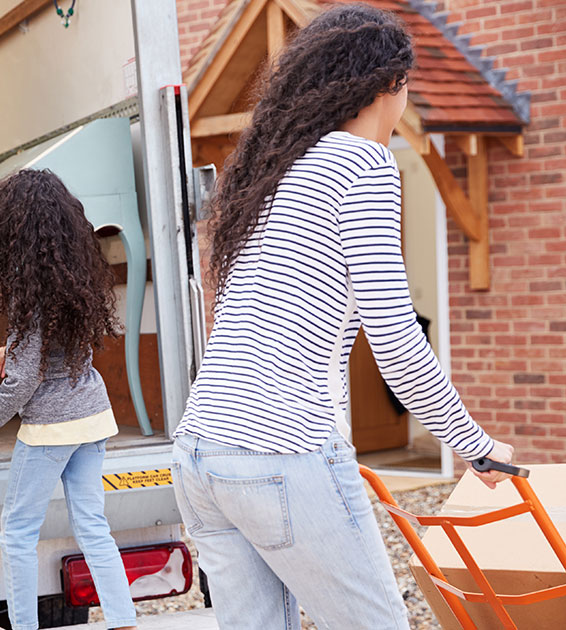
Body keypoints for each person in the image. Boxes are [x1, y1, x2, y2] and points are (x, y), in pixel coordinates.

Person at [169, 5, 515, 629]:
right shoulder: (362, 164)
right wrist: (475, 446)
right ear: (391, 86)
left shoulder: (269, 171)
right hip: (282, 451)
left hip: (202, 453)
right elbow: (396, 338)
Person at [0, 169, 138, 630]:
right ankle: (124, 619)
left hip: (51, 430)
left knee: (16, 535)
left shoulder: (27, 290)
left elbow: (25, 381)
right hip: (91, 418)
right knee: (93, 526)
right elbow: (57, 349)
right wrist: (11, 348)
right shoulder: (76, 277)